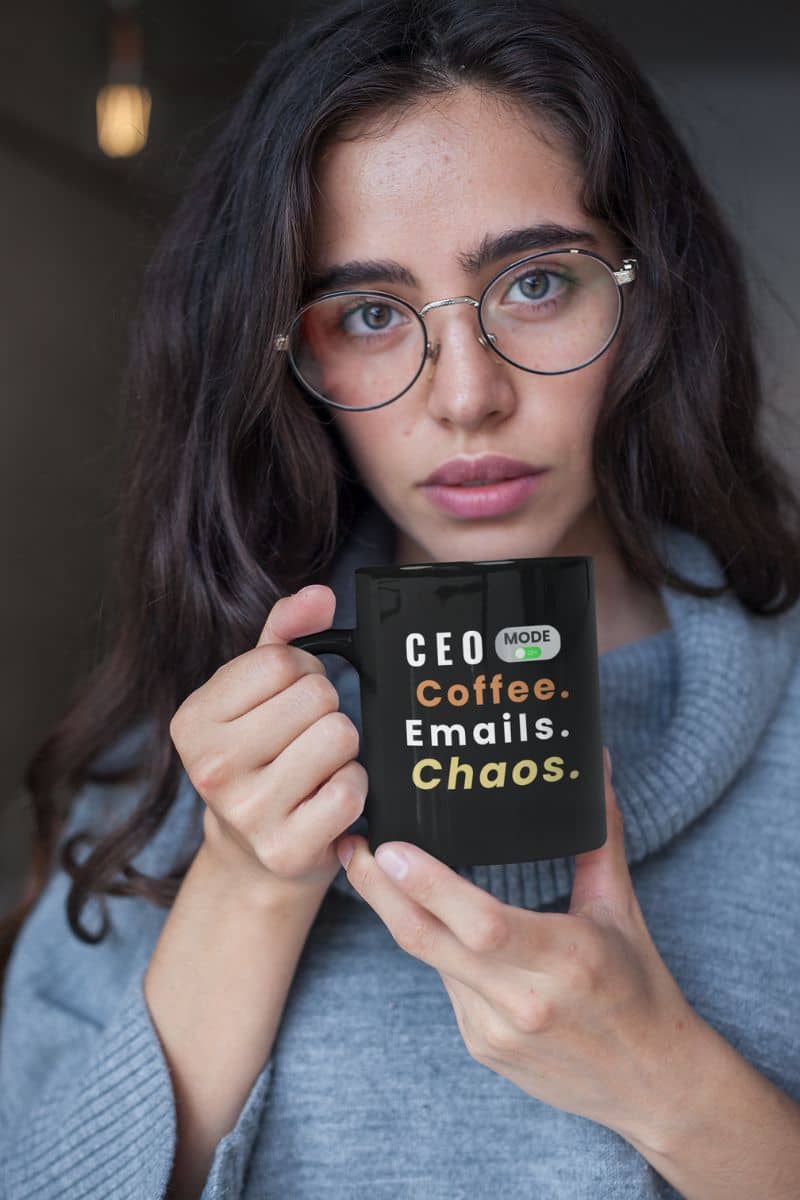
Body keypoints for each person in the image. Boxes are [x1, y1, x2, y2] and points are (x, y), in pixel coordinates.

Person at [2, 0, 799, 1197]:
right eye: (370, 316)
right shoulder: (171, 761)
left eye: (536, 283)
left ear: (647, 298)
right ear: (288, 358)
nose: (465, 395)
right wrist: (244, 889)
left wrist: (673, 1089)